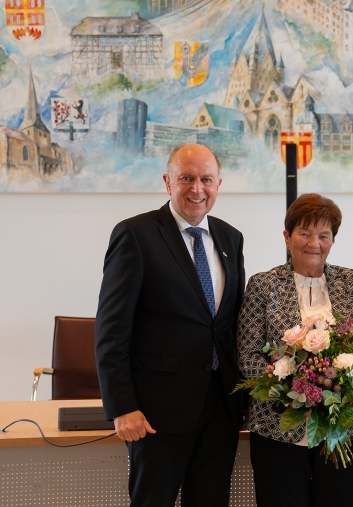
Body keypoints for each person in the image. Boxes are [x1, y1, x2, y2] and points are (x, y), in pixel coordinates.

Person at [95, 143, 246, 507]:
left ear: (218, 184)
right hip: (156, 411)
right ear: (168, 182)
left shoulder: (230, 238)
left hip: (220, 407)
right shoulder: (136, 235)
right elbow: (111, 330)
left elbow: (229, 324)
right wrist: (121, 406)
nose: (197, 189)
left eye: (206, 179)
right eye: (187, 178)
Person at [238, 193, 353, 507]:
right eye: (304, 233)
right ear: (287, 236)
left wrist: (345, 387)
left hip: (343, 429)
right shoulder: (263, 285)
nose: (313, 243)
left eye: (323, 235)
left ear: (333, 240)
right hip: (277, 428)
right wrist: (283, 388)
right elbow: (248, 353)